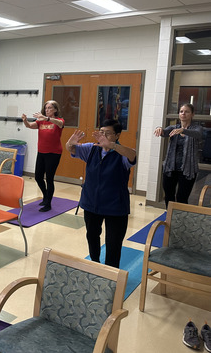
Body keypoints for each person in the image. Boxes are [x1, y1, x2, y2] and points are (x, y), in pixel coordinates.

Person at [66, 119, 136, 268]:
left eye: (108, 133)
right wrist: (70, 143)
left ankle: (111, 273)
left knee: (113, 242)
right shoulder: (91, 149)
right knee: (92, 236)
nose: (103, 136)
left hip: (115, 206)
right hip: (92, 203)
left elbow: (133, 155)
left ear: (117, 135)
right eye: (101, 132)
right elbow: (71, 149)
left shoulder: (121, 153)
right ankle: (95, 264)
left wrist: (111, 146)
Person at [154, 103, 203, 207]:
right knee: (169, 196)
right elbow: (165, 132)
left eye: (187, 111)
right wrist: (159, 129)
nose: (183, 114)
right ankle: (169, 219)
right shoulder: (173, 127)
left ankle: (181, 220)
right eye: (181, 111)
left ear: (192, 114)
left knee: (182, 198)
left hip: (187, 169)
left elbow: (198, 134)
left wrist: (183, 130)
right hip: (171, 168)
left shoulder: (197, 128)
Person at [22, 100, 64, 212]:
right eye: (46, 108)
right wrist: (25, 121)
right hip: (41, 152)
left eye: (50, 108)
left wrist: (47, 118)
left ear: (55, 109)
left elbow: (60, 124)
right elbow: (30, 126)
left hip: (54, 153)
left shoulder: (59, 120)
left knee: (49, 179)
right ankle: (46, 196)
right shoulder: (41, 121)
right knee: (38, 177)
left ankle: (48, 203)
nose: (47, 110)